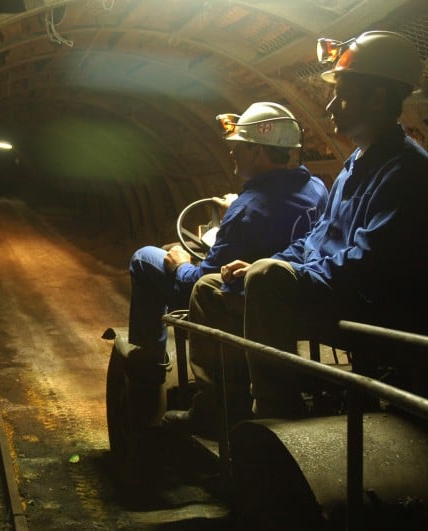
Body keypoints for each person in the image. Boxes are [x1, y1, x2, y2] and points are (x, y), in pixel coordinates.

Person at [173, 30, 428, 426]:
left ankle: (277, 412)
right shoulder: (354, 164)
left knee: (268, 277)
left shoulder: (408, 171)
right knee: (212, 287)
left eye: (342, 94)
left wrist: (286, 274)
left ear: (377, 97)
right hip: (333, 291)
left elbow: (369, 263)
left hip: (371, 308)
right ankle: (220, 406)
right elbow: (317, 237)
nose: (329, 105)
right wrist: (269, 262)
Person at [127, 102, 329, 384]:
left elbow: (200, 281)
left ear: (258, 151)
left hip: (243, 301)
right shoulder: (317, 189)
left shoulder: (248, 209)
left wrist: (182, 266)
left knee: (146, 257)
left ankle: (149, 364)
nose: (231, 151)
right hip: (300, 296)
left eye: (239, 146)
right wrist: (235, 211)